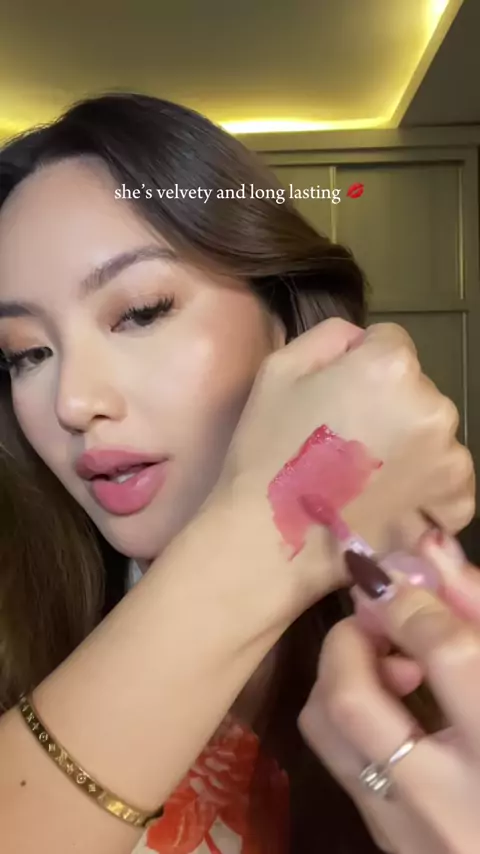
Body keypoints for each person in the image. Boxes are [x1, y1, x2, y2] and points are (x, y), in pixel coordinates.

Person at [0, 92, 473, 854]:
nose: (74, 402)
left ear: (283, 322)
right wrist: (280, 521)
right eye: (26, 354)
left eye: (141, 311)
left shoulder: (451, 637)